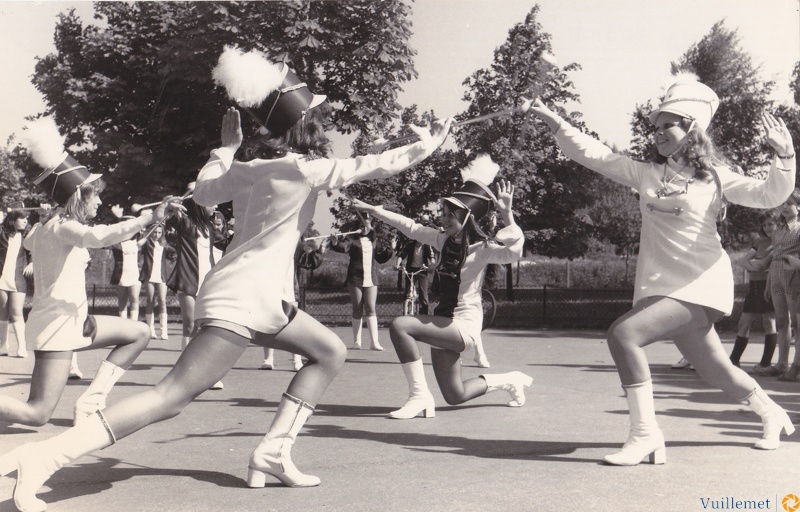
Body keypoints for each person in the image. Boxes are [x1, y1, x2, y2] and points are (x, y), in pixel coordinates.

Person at [0, 47, 452, 511]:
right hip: (245, 299)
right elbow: (375, 164)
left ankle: (273, 452)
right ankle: (43, 458)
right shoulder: (307, 169)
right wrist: (430, 142)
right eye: (321, 119)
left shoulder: (247, 169)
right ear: (308, 127)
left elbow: (205, 191)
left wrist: (226, 148)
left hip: (255, 296)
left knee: (330, 350)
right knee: (170, 396)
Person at [529, 71, 796, 465]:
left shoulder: (716, 177)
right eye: (654, 125)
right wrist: (551, 117)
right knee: (714, 369)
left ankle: (645, 434)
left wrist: (784, 156)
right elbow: (595, 154)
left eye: (666, 124)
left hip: (703, 283)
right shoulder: (647, 174)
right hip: (661, 285)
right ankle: (773, 413)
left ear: (692, 129)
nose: (656, 131)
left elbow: (770, 193)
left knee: (623, 335)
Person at [0, 116, 179, 435]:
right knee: (37, 413)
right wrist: (148, 217)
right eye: (93, 195)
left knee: (139, 332)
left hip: (72, 322)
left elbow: (31, 240)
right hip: (59, 327)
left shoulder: (45, 228)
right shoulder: (65, 227)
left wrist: (47, 216)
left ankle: (90, 402)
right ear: (76, 198)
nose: (99, 201)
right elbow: (97, 237)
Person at [352, 155, 531, 419]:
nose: (444, 219)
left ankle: (419, 396)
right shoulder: (442, 240)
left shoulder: (483, 249)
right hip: (444, 321)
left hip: (464, 325)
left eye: (451, 215)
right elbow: (411, 227)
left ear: (467, 217)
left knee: (401, 325)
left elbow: (515, 251)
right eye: (443, 213)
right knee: (455, 394)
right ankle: (510, 380)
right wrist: (376, 210)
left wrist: (506, 212)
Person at [329, 212, 393, 350]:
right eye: (363, 223)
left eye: (368, 223)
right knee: (357, 308)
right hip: (355, 278)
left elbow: (382, 258)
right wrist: (334, 242)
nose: (365, 226)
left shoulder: (375, 241)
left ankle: (374, 342)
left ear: (371, 226)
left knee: (371, 308)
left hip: (371, 278)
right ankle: (356, 342)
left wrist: (391, 248)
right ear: (358, 225)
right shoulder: (352, 240)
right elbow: (342, 247)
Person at [261, 237, 322, 371]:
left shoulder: (296, 244)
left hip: (289, 289)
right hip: (271, 288)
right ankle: (268, 359)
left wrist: (318, 251)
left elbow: (308, 261)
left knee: (293, 325)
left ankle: (296, 361)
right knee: (269, 322)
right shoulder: (270, 242)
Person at [729, 211, 778, 370]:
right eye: (764, 225)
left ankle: (765, 364)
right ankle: (734, 361)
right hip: (754, 287)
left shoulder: (780, 243)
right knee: (743, 323)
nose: (767, 227)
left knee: (769, 322)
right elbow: (743, 261)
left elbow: (763, 263)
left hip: (768, 287)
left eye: (770, 224)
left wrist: (755, 263)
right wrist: (755, 264)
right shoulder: (759, 242)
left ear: (778, 223)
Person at [0, 208, 32, 358]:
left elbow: (35, 249)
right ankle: (3, 346)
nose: (25, 221)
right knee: (3, 312)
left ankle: (22, 347)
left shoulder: (28, 235)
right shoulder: (2, 233)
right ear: (13, 219)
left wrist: (32, 263)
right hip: (2, 277)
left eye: (27, 218)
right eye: (22, 218)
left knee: (16, 312)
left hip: (18, 278)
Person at [395, 216, 435, 315]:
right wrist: (397, 264)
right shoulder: (410, 245)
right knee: (407, 292)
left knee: (423, 294)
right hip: (411, 270)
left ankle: (424, 315)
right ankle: (405, 312)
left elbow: (432, 257)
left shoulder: (427, 245)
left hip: (422, 270)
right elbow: (401, 255)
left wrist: (431, 266)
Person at [139, 224, 172, 340]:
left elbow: (174, 252)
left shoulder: (164, 244)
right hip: (149, 274)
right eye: (154, 232)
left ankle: (164, 331)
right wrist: (143, 233)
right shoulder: (147, 242)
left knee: (162, 300)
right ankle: (151, 330)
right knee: (150, 301)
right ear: (151, 232)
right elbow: (139, 242)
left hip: (161, 275)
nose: (156, 235)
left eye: (159, 232)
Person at [109, 210, 143, 322]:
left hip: (134, 273)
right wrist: (117, 219)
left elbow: (147, 230)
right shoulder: (116, 242)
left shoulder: (138, 241)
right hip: (121, 274)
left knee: (134, 298)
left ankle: (134, 323)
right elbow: (112, 233)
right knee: (122, 299)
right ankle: (122, 322)